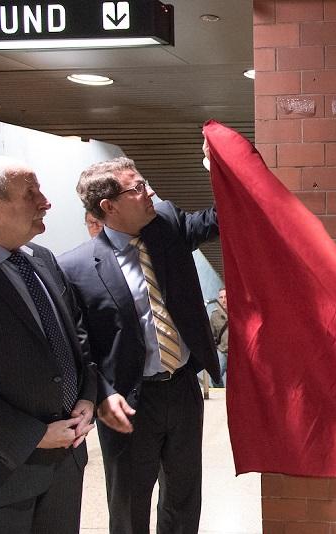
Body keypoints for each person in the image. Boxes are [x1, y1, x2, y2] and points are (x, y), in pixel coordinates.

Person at [58, 156, 221, 534]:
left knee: (183, 498)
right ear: (108, 207)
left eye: (144, 183)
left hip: (182, 388)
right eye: (137, 188)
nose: (149, 193)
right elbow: (79, 346)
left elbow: (221, 218)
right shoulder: (76, 268)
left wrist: (221, 171)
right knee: (130, 505)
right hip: (128, 403)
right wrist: (101, 394)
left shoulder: (167, 225)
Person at [0, 155, 96, 533]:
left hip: (63, 467)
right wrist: (35, 435)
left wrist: (87, 396)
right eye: (31, 193)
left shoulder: (41, 259)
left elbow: (76, 334)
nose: (46, 201)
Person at [209, 287, 228, 387]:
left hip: (237, 354)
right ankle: (222, 394)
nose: (223, 300)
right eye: (221, 297)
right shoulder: (214, 315)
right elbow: (211, 335)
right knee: (215, 376)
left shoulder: (238, 313)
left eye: (226, 297)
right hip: (222, 351)